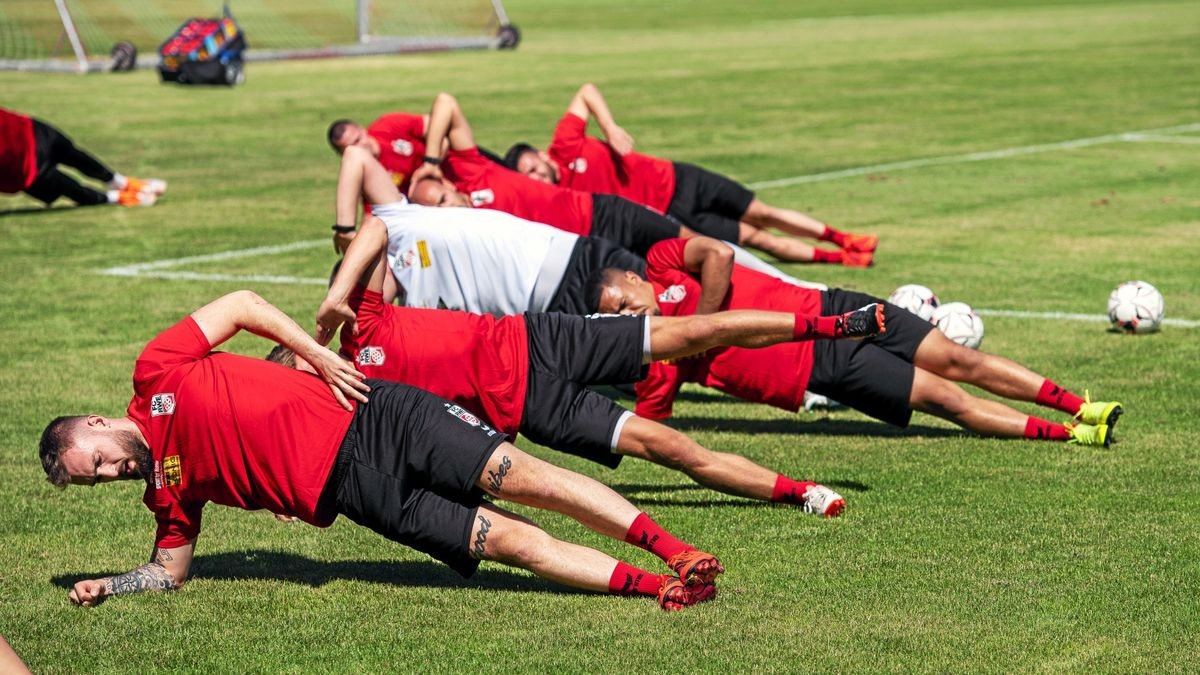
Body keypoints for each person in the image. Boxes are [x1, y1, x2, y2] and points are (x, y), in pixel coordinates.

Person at [38, 291, 726, 611]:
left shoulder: (154, 371)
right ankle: (660, 587)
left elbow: (244, 304)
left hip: (378, 416)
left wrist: (315, 356)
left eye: (95, 457)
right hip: (362, 494)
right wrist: (114, 583)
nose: (110, 470)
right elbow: (169, 571)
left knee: (528, 478)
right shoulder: (165, 491)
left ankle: (674, 548)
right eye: (97, 478)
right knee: (507, 541)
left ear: (97, 421)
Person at [307, 236, 884, 515]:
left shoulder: (369, 317)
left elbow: (376, 229)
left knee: (694, 332)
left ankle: (835, 325)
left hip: (540, 337)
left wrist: (337, 298)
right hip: (537, 412)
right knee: (668, 448)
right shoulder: (355, 392)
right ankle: (800, 492)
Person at [586, 237, 1124, 446]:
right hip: (821, 369)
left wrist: (700, 329)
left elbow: (720, 257)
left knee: (959, 358)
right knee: (945, 399)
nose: (628, 313)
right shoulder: (655, 357)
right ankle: (1068, 433)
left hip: (833, 309)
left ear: (633, 280)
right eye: (616, 316)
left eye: (623, 301)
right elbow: (654, 424)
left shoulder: (661, 260)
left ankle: (1082, 404)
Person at [334, 144, 819, 316]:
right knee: (675, 339)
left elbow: (357, 157)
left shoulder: (400, 217)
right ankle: (813, 369)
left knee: (701, 272)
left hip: (576, 256)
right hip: (554, 316)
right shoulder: (406, 312)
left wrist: (344, 229)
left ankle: (807, 294)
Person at [504, 83, 877, 266]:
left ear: (539, 155)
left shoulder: (564, 143)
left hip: (680, 179)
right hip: (674, 218)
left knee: (763, 212)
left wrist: (611, 127)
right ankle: (841, 260)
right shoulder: (560, 200)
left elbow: (586, 91)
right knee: (758, 238)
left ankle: (842, 238)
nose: (536, 176)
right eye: (528, 177)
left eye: (532, 167)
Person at [408, 92, 689, 257]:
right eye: (438, 209)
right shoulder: (468, 236)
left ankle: (734, 261)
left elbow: (445, 102)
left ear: (448, 183)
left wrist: (430, 161)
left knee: (691, 242)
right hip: (580, 255)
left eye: (443, 198)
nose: (448, 207)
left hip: (599, 213)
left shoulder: (473, 170)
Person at [0, 107, 164, 208]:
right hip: (23, 168)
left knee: (75, 156)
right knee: (72, 188)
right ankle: (119, 197)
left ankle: (124, 183)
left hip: (29, 132)